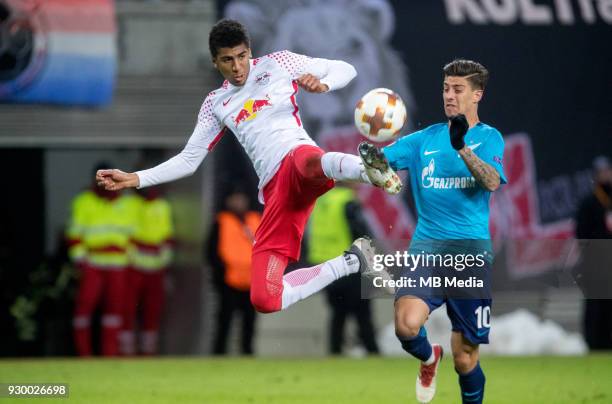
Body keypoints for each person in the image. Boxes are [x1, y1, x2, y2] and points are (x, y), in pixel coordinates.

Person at [95, 19, 401, 315]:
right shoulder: (216, 104)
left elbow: (346, 68)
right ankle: (351, 261)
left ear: (250, 52)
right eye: (228, 60)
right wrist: (134, 178)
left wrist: (324, 84)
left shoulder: (279, 63)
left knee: (309, 162)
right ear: (216, 62)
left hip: (297, 155)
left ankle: (370, 170)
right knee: (265, 299)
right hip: (276, 192)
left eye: (242, 56)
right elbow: (189, 160)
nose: (238, 66)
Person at [360, 59, 506, 403]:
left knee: (465, 357)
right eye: (445, 89)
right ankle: (428, 358)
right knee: (405, 325)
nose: (449, 96)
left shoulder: (489, 138)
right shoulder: (423, 140)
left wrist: (462, 148)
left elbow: (490, 182)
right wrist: (368, 159)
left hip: (470, 256)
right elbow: (379, 163)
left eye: (458, 89)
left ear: (477, 94)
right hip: (427, 249)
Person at [67, 162, 140, 356]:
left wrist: (132, 260)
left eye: (110, 177)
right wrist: (82, 262)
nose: (106, 181)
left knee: (115, 311)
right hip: (93, 264)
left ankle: (110, 355)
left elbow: (134, 238)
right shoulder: (84, 201)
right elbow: (74, 235)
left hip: (119, 266)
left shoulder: (128, 203)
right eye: (102, 177)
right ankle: (83, 355)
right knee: (84, 309)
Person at [307, 185, 379, 355]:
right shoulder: (347, 201)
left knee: (338, 313)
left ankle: (335, 352)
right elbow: (362, 233)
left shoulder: (320, 201)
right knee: (363, 312)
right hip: (348, 265)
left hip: (324, 266)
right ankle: (372, 351)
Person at [120, 186, 174, 356]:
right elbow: (124, 234)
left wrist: (163, 260)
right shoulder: (129, 203)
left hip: (156, 266)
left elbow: (167, 236)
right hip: (133, 265)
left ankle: (148, 351)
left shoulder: (163, 205)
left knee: (153, 310)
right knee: (127, 308)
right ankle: (125, 351)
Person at [207, 189, 261, 355]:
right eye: (235, 199)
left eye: (241, 198)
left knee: (249, 323)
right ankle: (219, 354)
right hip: (228, 281)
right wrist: (220, 272)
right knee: (224, 321)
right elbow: (211, 252)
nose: (239, 203)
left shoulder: (255, 219)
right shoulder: (221, 221)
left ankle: (247, 353)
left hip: (251, 282)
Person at [574, 156, 612, 350]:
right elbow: (581, 233)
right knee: (595, 304)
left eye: (608, 171)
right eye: (603, 172)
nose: (607, 175)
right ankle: (594, 342)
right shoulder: (589, 203)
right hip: (595, 263)